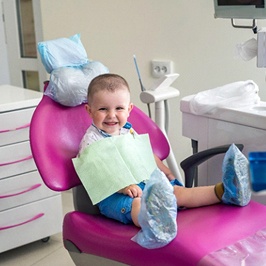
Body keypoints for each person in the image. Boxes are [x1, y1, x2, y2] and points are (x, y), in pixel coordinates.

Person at [78, 73, 251, 228]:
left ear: (129, 109)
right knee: (137, 204)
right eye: (103, 109)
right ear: (89, 110)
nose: (111, 115)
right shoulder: (91, 141)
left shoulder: (127, 131)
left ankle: (226, 191)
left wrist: (164, 169)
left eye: (119, 108)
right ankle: (156, 222)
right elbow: (95, 171)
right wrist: (122, 186)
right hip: (117, 194)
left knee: (178, 193)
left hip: (146, 183)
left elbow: (143, 154)